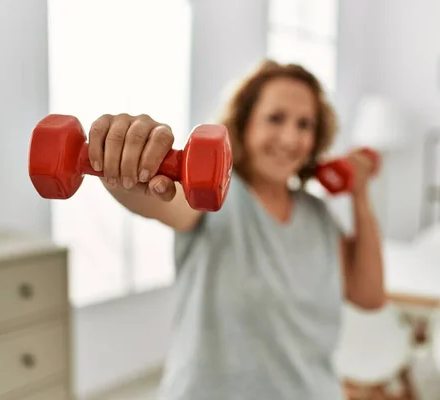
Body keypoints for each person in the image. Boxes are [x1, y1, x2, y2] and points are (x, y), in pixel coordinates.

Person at [87, 59, 385, 399]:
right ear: (244, 125)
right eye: (276, 118)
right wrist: (127, 161)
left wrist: (360, 194)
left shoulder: (317, 215)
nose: (290, 137)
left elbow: (370, 295)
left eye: (305, 124)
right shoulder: (214, 193)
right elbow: (156, 198)